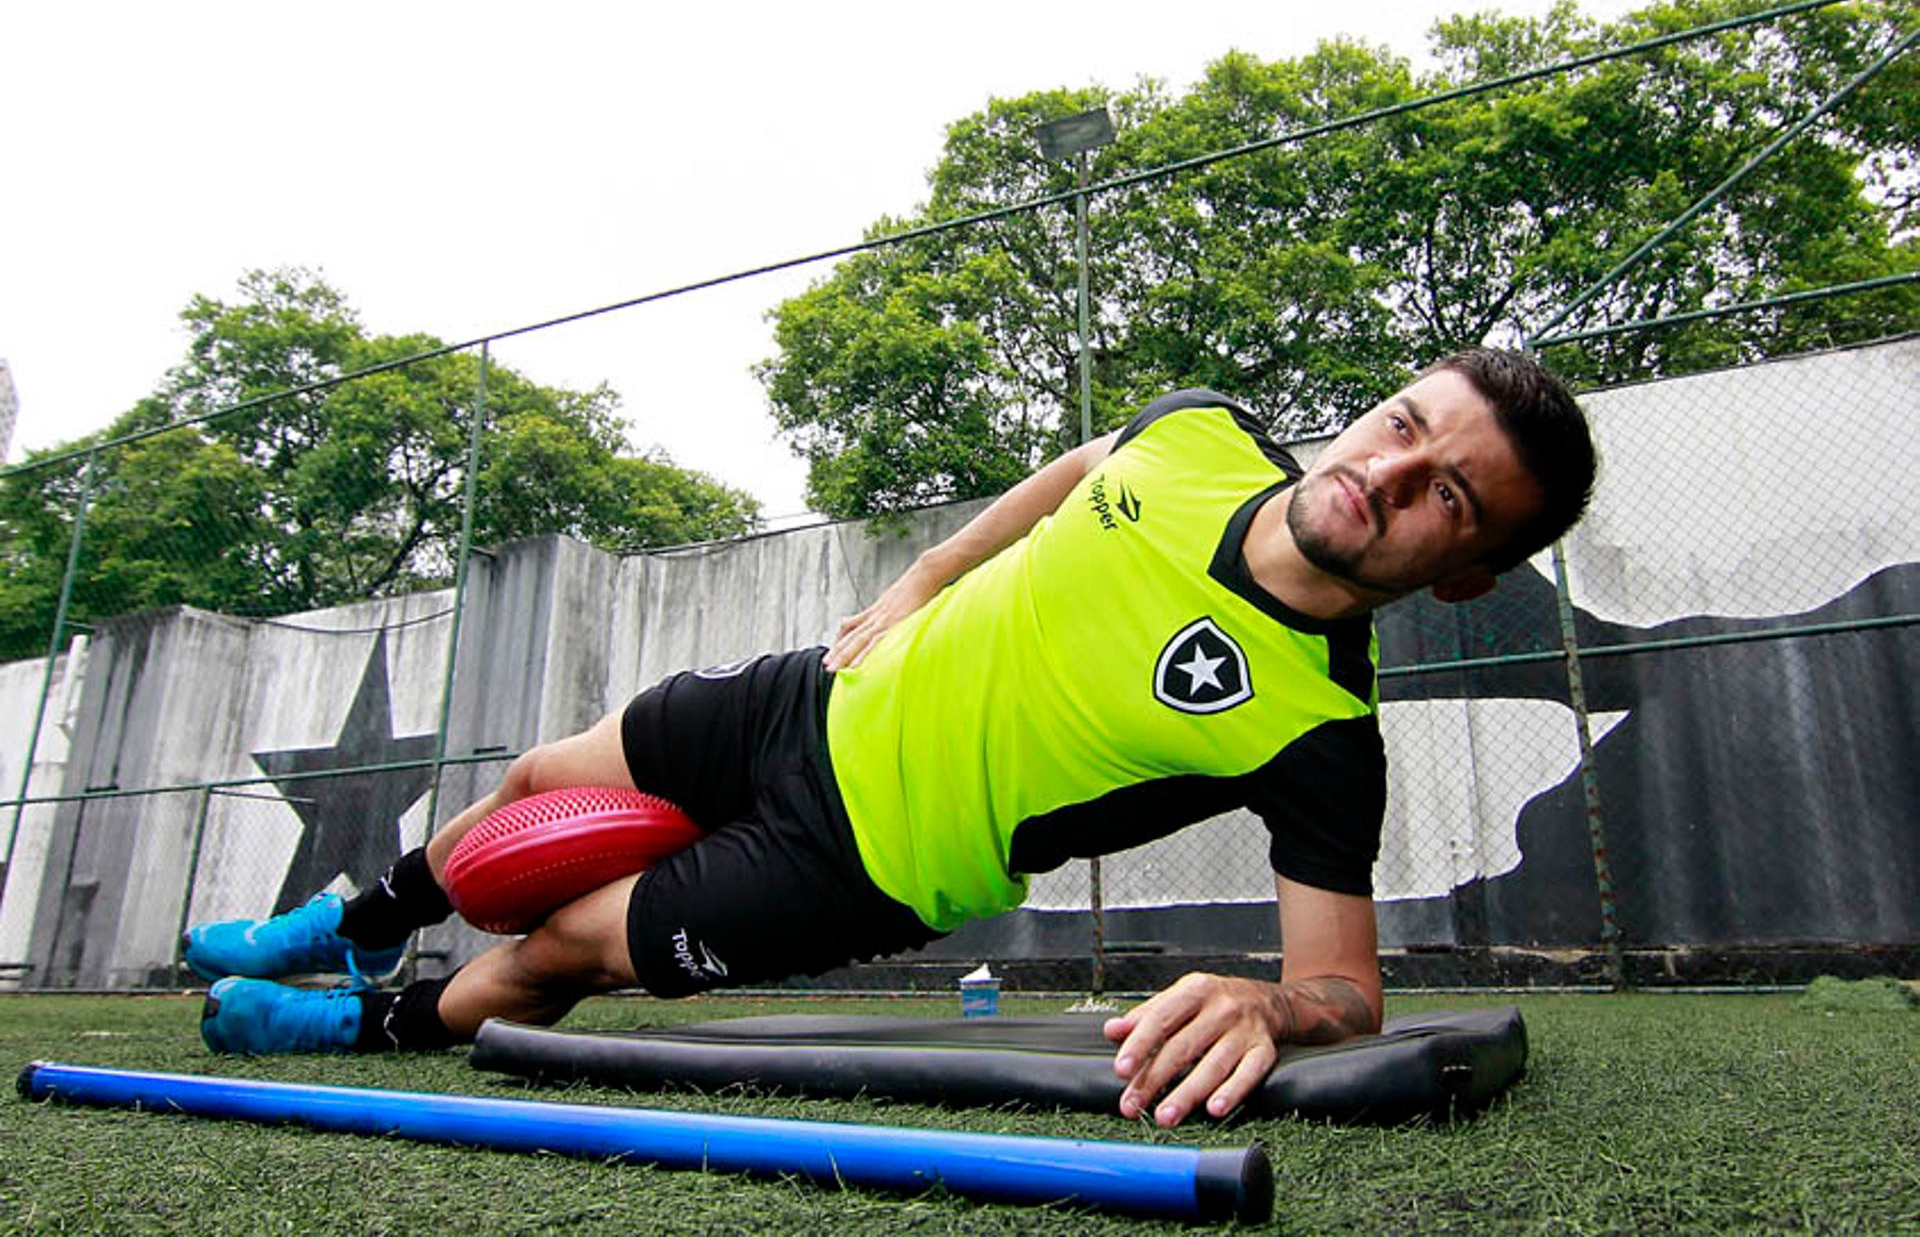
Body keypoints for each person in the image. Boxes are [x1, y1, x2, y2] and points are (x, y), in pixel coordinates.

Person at [185, 346, 1595, 1128]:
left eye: (1448, 501)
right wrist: (919, 581)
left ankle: (366, 1025)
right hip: (813, 694)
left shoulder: (1323, 733)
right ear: (1378, 401)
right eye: (1405, 425)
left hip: (860, 857)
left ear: (1462, 573)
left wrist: (1272, 1005)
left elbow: (1346, 994)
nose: (1389, 473)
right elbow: (1077, 473)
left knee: (561, 944)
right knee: (536, 784)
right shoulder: (1204, 431)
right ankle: (368, 922)